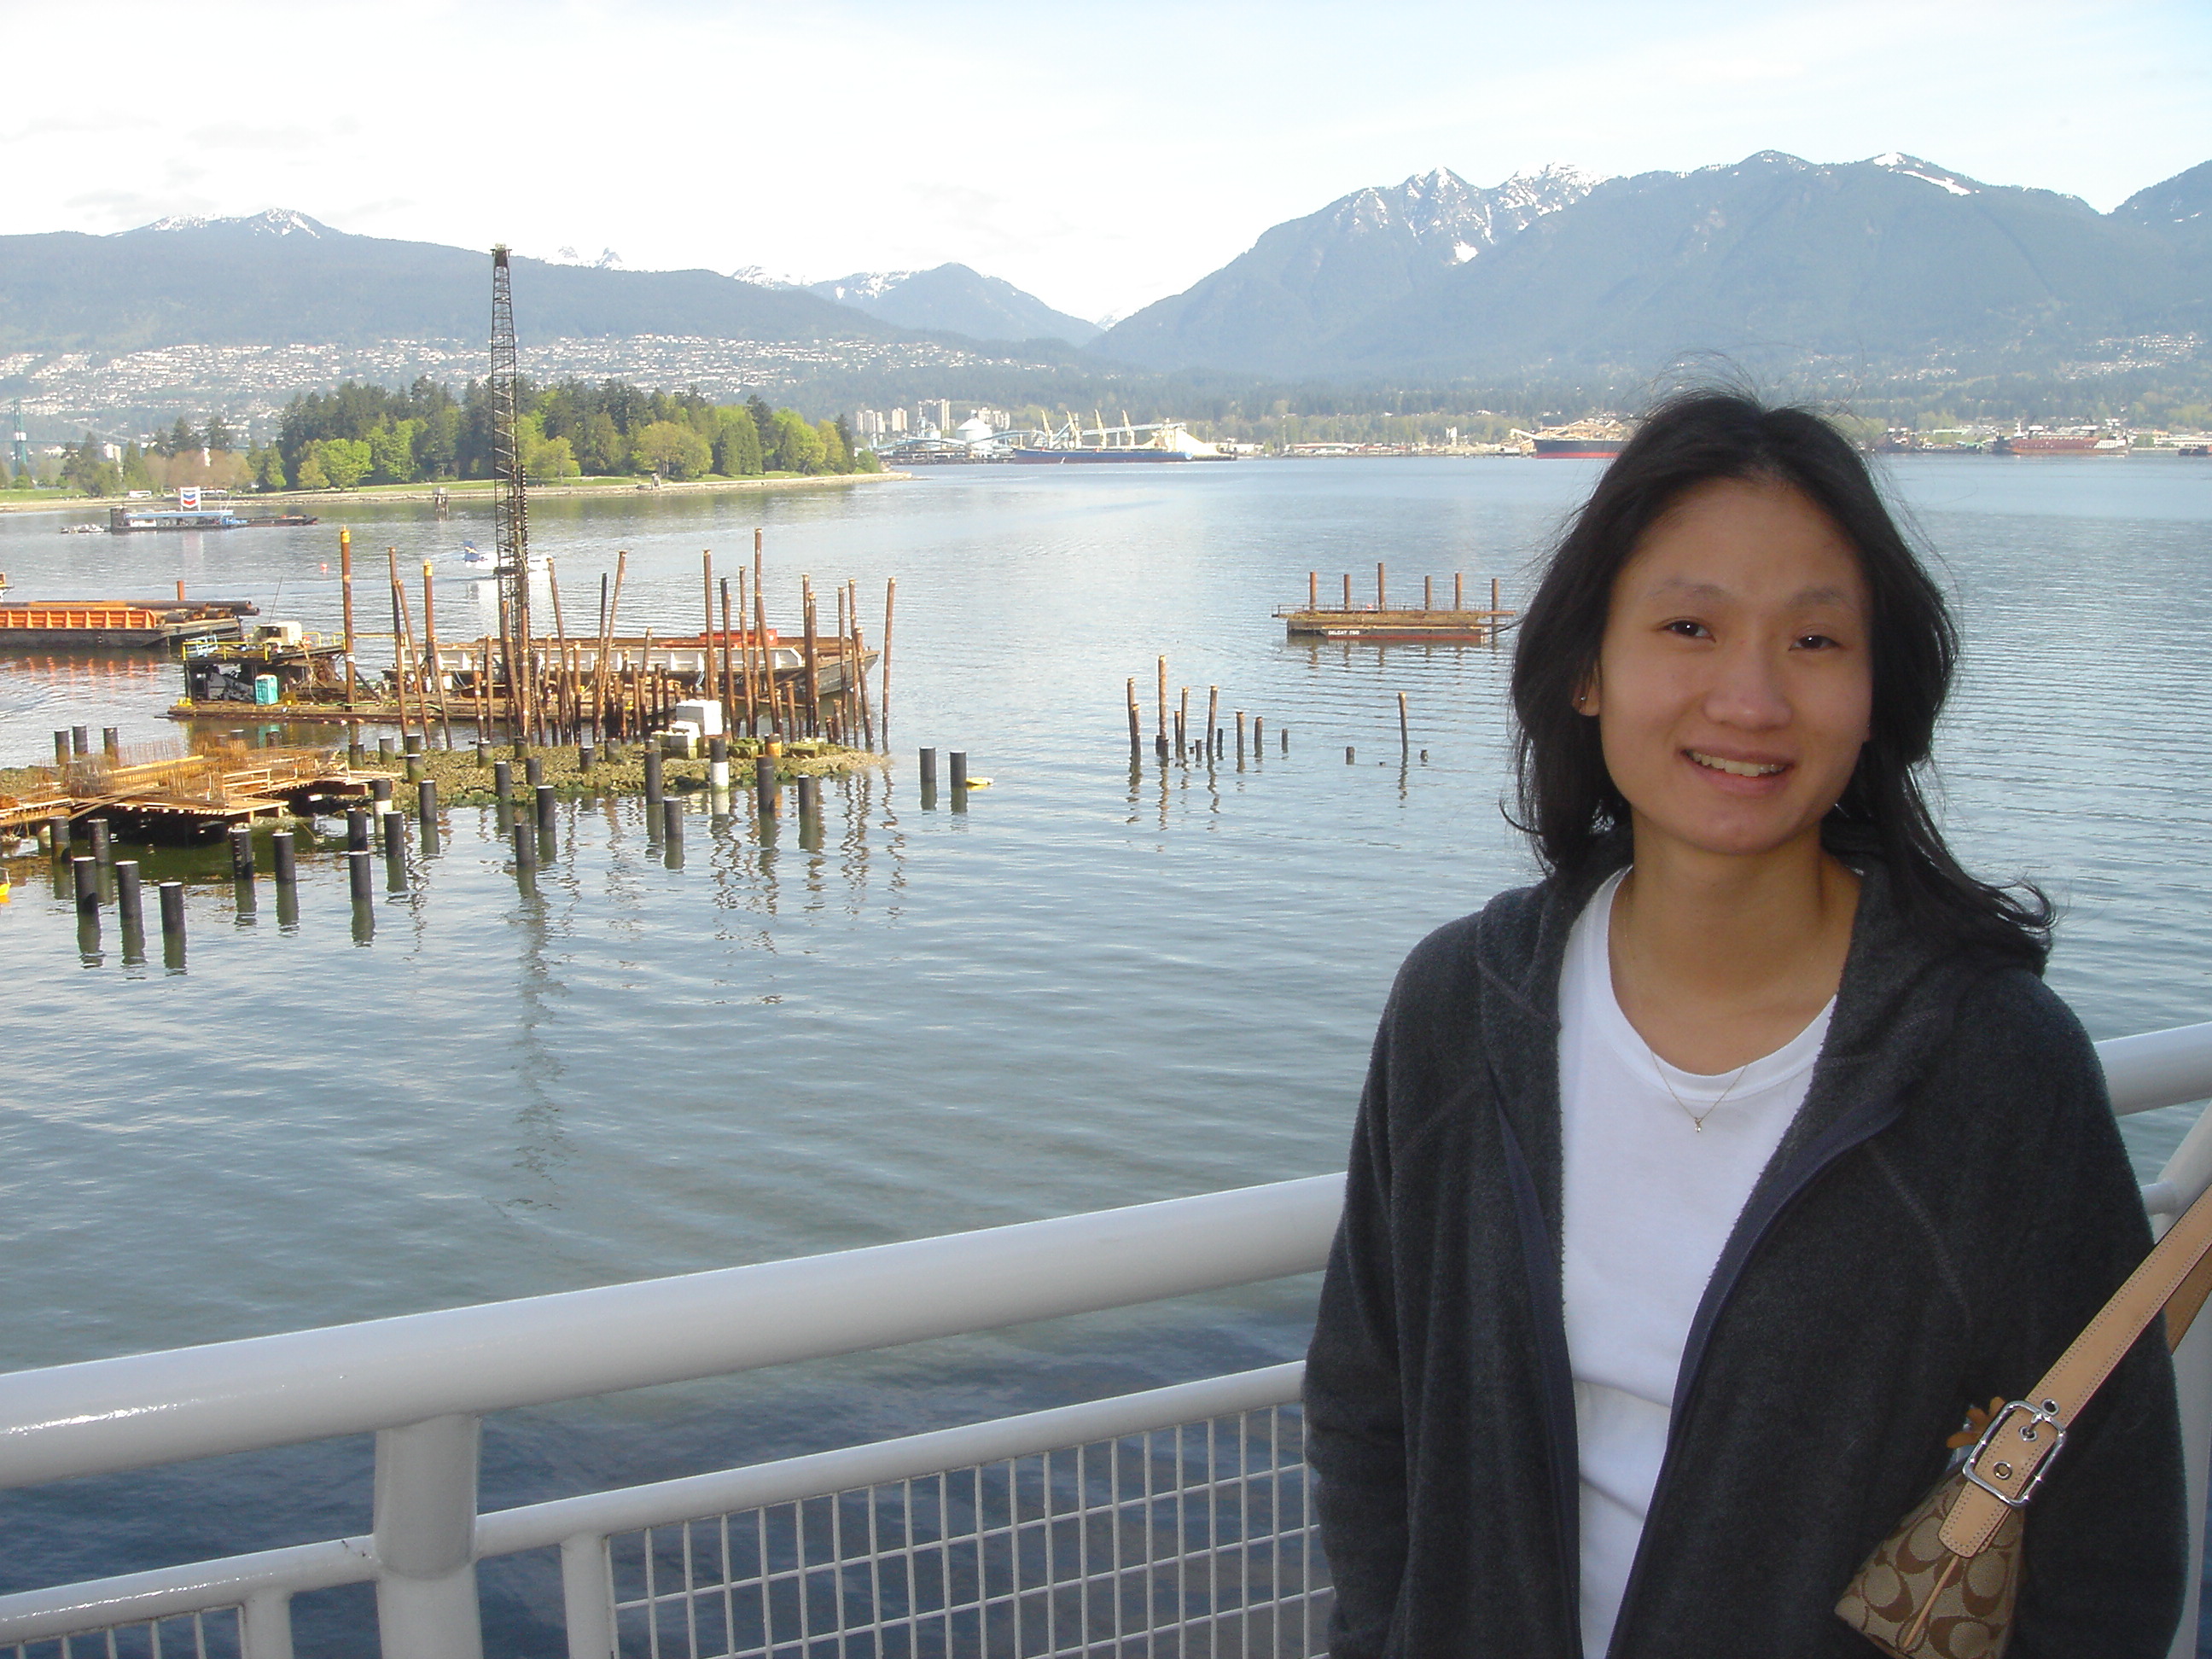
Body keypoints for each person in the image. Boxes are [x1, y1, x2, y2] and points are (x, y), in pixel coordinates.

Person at [1303, 391, 2186, 1657]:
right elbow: (1366, 1400)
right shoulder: (1461, 1007)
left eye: (1816, 641)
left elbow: (2106, 1534)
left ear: (1876, 693)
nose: (1752, 699)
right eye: (1689, 627)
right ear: (1587, 670)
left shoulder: (1992, 1066)